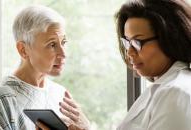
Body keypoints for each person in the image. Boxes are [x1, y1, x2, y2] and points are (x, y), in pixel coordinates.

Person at [38, 0, 191, 130]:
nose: (129, 52)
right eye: (127, 42)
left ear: (170, 38)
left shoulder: (176, 93)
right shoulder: (166, 88)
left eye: (138, 42)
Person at [0, 5, 70, 130]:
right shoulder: (4, 99)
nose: (63, 53)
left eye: (64, 42)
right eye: (52, 44)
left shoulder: (61, 94)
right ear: (23, 50)